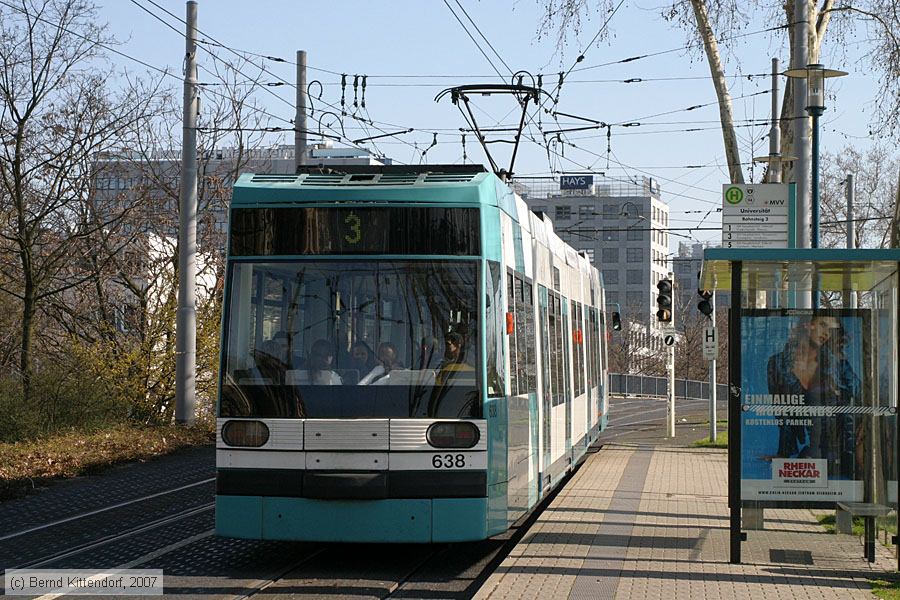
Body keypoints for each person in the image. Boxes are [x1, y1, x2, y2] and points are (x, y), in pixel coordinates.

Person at [767, 316, 859, 466]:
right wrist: (783, 453)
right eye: (822, 325)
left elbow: (860, 393)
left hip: (837, 451)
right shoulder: (777, 363)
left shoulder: (837, 363)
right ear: (807, 324)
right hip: (804, 452)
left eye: (831, 330)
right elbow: (781, 410)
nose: (826, 333)